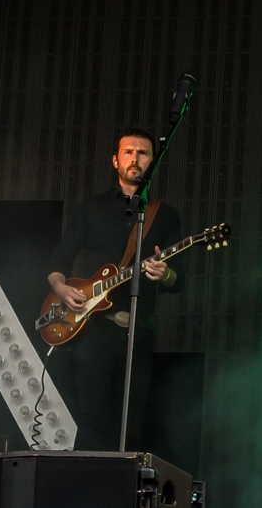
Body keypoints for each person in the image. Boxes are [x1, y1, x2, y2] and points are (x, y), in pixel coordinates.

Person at [46, 128, 185, 450]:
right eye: (128, 152)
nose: (135, 159)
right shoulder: (91, 208)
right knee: (91, 421)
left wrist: (165, 273)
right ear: (115, 160)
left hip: (137, 331)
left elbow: (179, 282)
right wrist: (61, 288)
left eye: (143, 153)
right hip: (93, 329)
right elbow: (59, 259)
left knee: (130, 425)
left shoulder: (165, 215)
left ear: (152, 162)